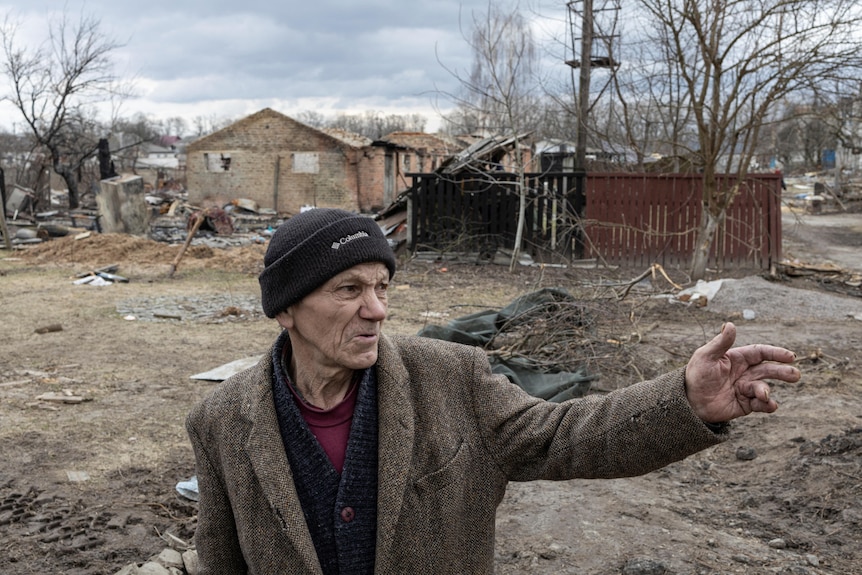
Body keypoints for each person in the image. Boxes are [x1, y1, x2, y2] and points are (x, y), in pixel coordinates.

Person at [186, 208, 801, 575]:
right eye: (348, 290)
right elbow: (221, 561)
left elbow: (567, 436)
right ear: (287, 309)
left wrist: (686, 400)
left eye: (381, 286)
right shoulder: (220, 422)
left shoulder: (452, 378)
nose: (376, 310)